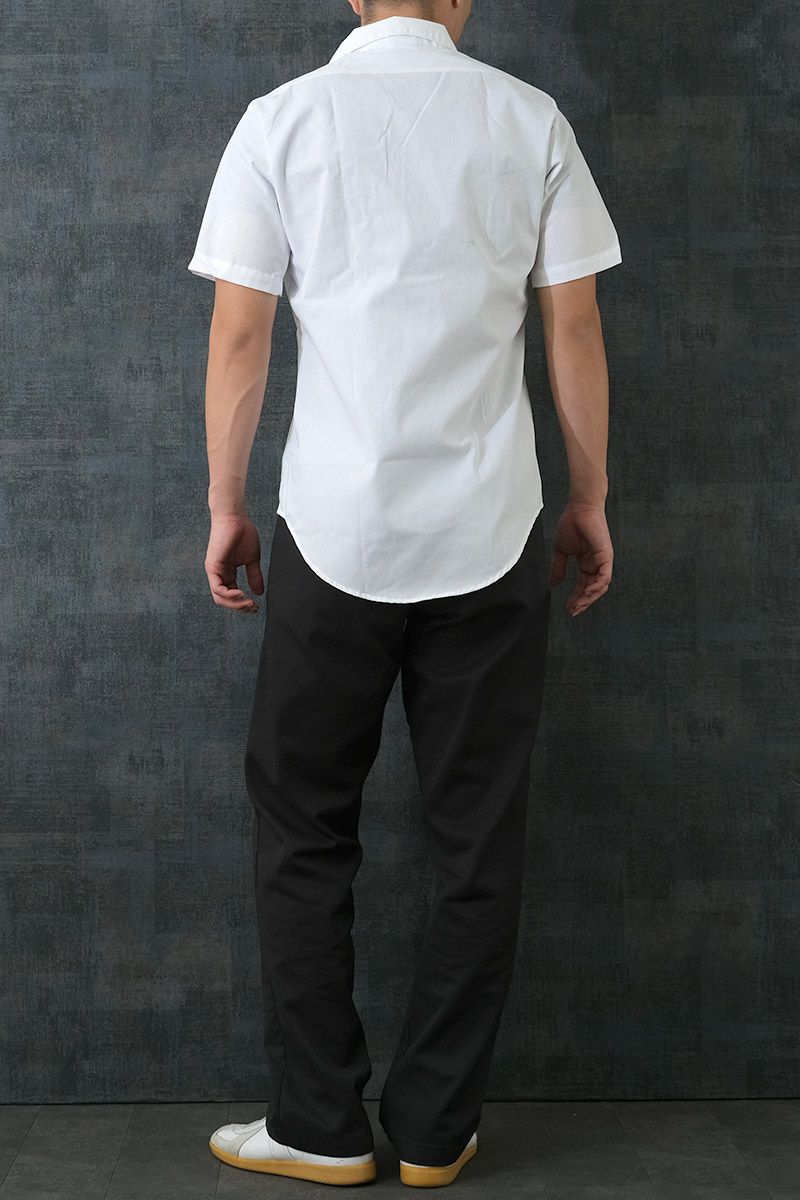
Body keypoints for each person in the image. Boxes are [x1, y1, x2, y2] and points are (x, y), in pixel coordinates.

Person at [187, 0, 621, 1187]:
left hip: (332, 530)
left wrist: (225, 503)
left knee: (302, 826)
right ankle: (434, 1132)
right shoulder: (528, 121)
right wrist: (588, 495)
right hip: (492, 525)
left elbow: (240, 336)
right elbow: (571, 322)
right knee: (476, 837)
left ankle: (317, 1126)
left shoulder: (282, 121)